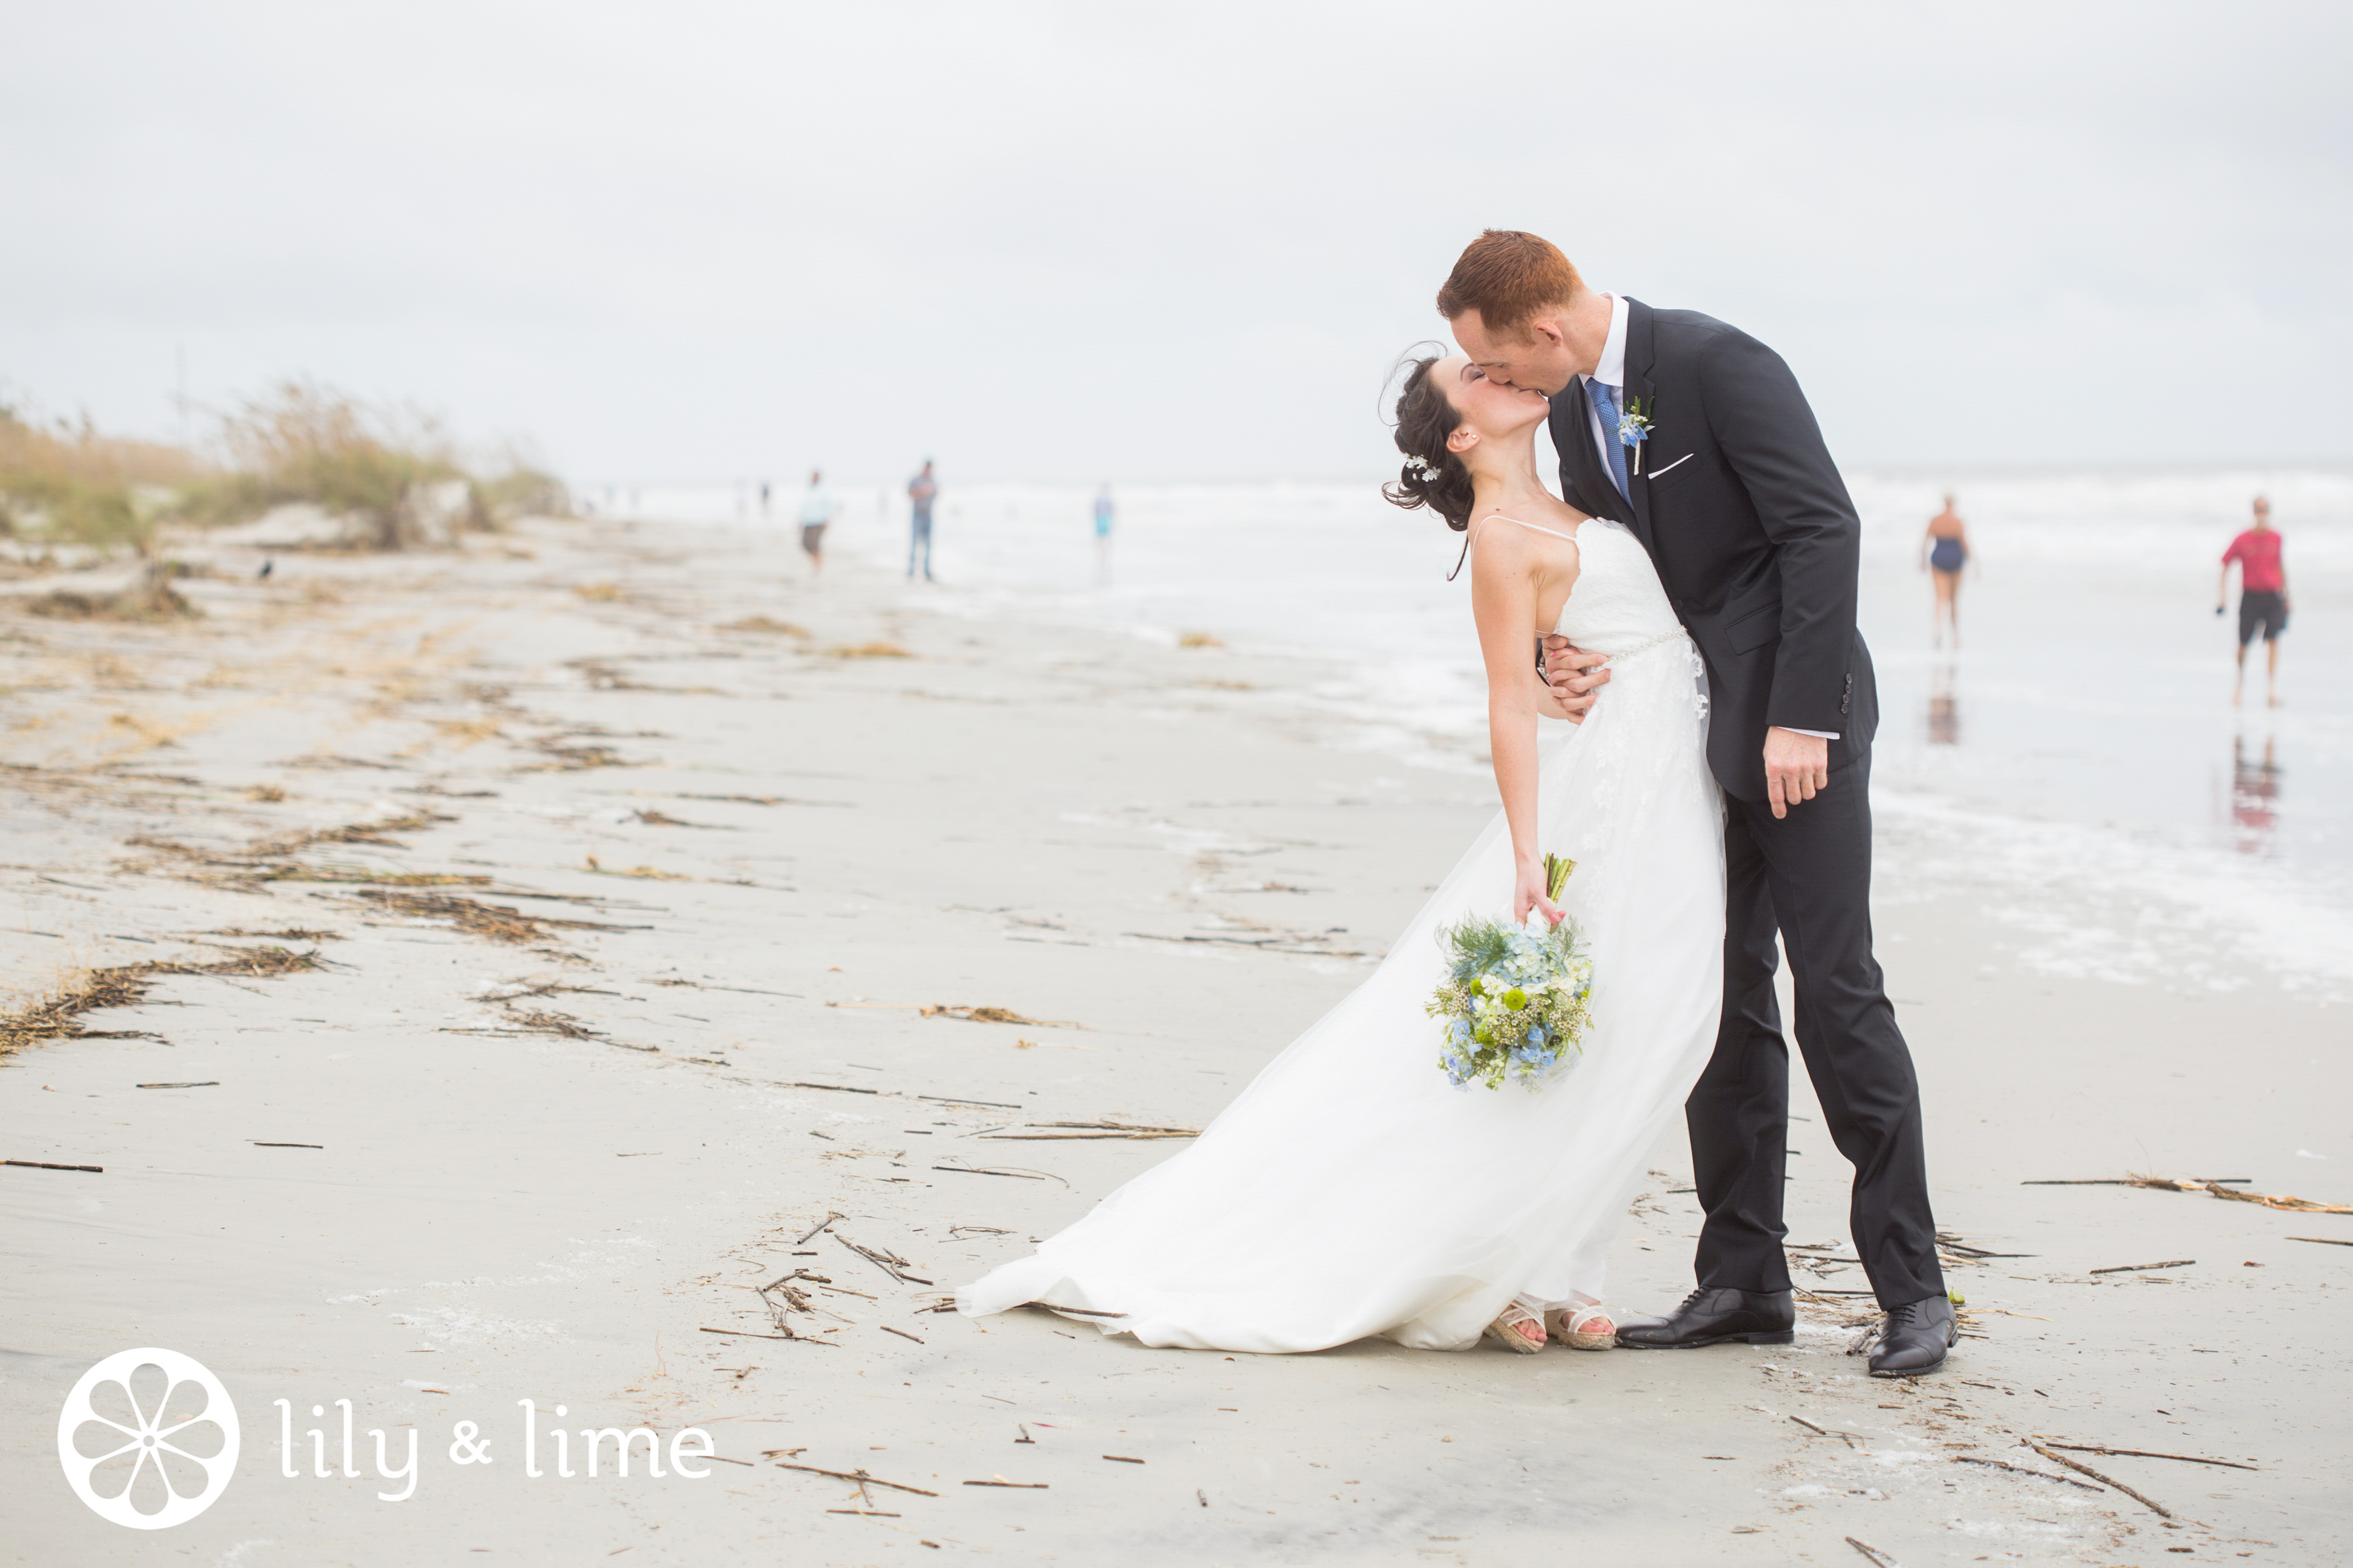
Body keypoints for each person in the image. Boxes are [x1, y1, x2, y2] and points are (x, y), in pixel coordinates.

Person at [958, 350, 1725, 1359]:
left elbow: (1564, 658)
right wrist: (1528, 853)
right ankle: (1524, 1268)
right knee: (1628, 1018)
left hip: (1665, 767)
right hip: (1615, 795)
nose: (1506, 375)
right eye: (1482, 377)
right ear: (1461, 433)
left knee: (1657, 1018)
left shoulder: (1579, 488)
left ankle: (1556, 1261)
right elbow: (1503, 696)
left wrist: (1563, 674)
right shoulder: (1500, 538)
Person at [1445, 230, 1951, 1376]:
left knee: (1834, 987)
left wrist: (1798, 715)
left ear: (1544, 329)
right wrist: (1556, 656)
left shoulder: (1721, 364)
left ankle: (1911, 1285)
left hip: (1798, 730)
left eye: (1504, 364)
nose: (1511, 388)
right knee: (1714, 992)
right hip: (1676, 739)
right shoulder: (1574, 409)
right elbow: (1616, 566)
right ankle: (1740, 1277)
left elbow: (1820, 526)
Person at [2219, 497, 2289, 707]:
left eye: (2265, 509)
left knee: (2273, 641)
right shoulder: (2242, 539)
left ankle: (2271, 690)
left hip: (2273, 596)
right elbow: (2225, 564)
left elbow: (2279, 565)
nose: (2261, 513)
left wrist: (2286, 595)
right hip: (2250, 597)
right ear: (2253, 512)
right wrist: (2223, 596)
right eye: (2258, 509)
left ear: (2269, 512)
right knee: (2243, 645)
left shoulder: (2276, 538)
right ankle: (2239, 685)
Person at [1920, 493, 1972, 649]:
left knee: (1939, 598)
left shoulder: (1935, 520)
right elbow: (1965, 544)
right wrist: (1974, 563)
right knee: (1954, 600)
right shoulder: (1958, 521)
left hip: (1939, 560)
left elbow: (1926, 542)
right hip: (1956, 560)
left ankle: (1939, 632)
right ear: (1953, 503)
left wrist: (1923, 561)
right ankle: (1955, 635)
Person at [796, 469, 837, 576]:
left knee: (815, 545)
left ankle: (817, 566)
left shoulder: (824, 491)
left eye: (815, 477)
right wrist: (800, 520)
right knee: (805, 544)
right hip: (808, 521)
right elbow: (804, 506)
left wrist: (827, 520)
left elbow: (829, 506)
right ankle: (815, 561)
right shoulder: (809, 490)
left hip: (818, 522)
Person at [906, 461, 938, 581]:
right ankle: (911, 572)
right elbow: (909, 493)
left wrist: (931, 491)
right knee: (915, 544)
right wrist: (922, 491)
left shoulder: (933, 480)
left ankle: (927, 572)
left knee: (929, 545)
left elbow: (937, 493)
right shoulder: (916, 480)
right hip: (917, 515)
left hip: (929, 515)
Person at [1092, 482, 1115, 583]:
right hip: (1106, 518)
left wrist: (1095, 519)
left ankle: (1102, 551)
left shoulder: (1098, 498)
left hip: (1100, 518)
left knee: (1101, 538)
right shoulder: (1109, 499)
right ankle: (1105, 552)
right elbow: (1112, 511)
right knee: (1107, 537)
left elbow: (1095, 510)